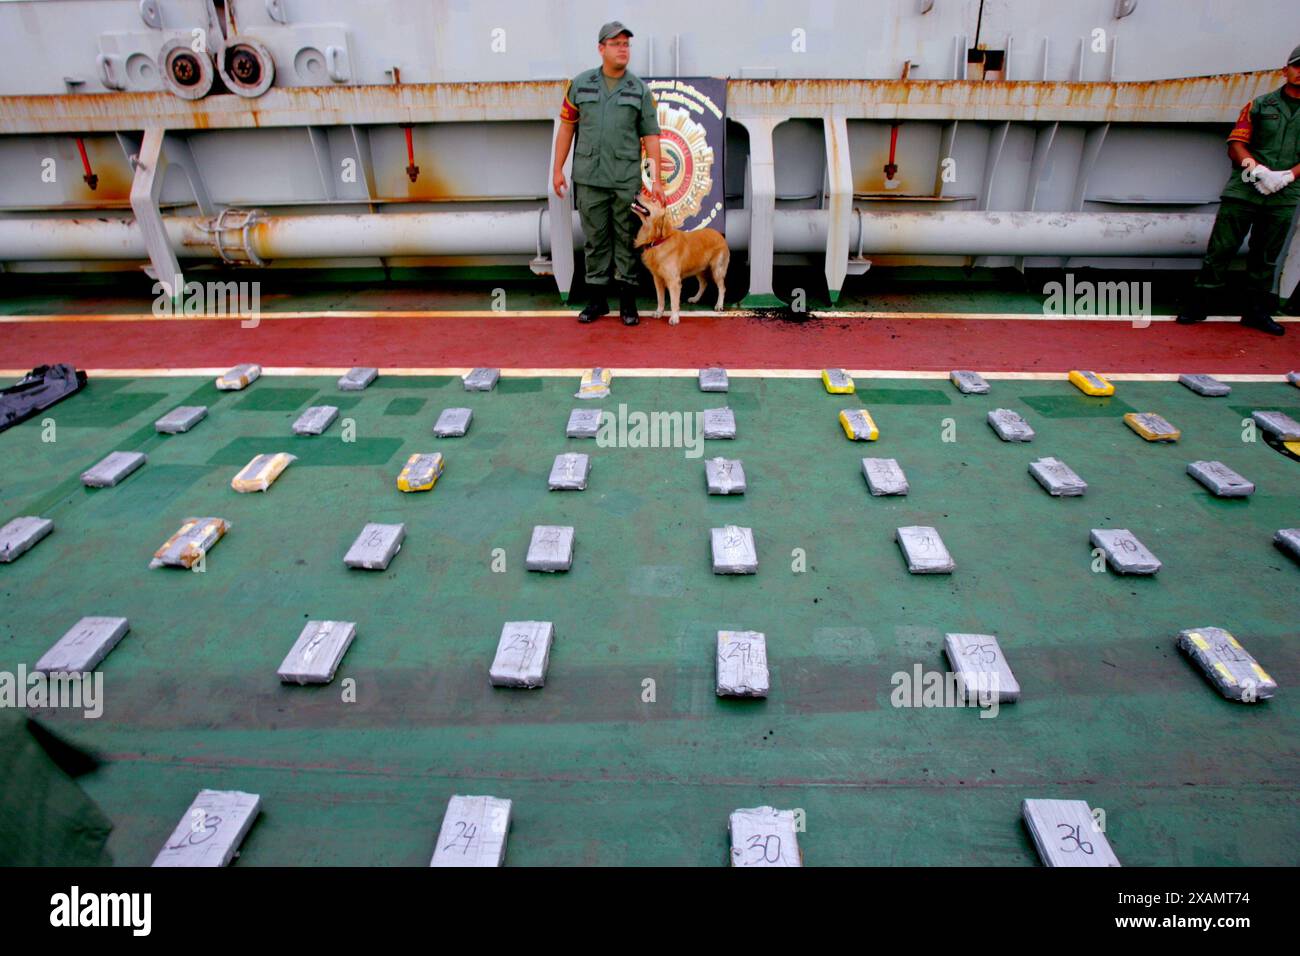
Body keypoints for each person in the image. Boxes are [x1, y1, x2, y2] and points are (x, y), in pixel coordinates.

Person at [1177, 44, 1300, 335]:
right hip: (1245, 188)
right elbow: (1236, 143)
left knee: (1266, 255)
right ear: (1286, 70)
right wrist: (1255, 169)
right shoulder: (1259, 105)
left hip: (1285, 193)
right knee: (1221, 248)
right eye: (1297, 67)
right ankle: (1200, 304)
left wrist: (1288, 176)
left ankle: (1257, 312)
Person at [552, 21, 667, 325]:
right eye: (616, 44)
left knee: (627, 238)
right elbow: (566, 128)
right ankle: (598, 300)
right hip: (589, 178)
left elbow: (651, 137)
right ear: (601, 49)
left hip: (624, 180)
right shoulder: (580, 85)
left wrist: (656, 180)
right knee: (595, 241)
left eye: (626, 44)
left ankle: (627, 302)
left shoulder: (638, 90)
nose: (622, 49)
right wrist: (557, 169)